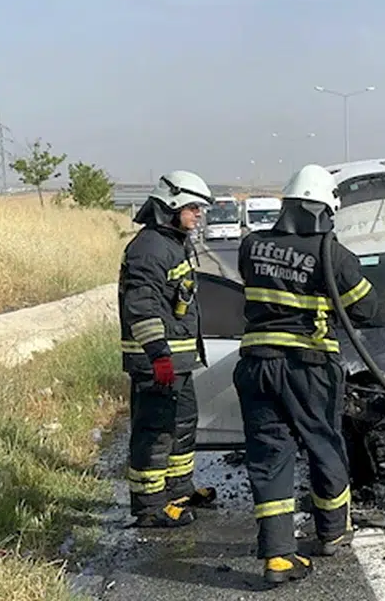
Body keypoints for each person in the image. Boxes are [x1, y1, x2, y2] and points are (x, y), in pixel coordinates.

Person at [234, 164, 379, 586]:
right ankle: (333, 532)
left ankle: (278, 556)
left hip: (256, 364)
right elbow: (366, 308)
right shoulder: (331, 253)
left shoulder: (251, 244)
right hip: (308, 366)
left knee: (269, 455)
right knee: (323, 444)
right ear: (326, 209)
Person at [118, 170, 219, 527]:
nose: (198, 215)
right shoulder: (149, 249)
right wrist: (158, 354)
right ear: (172, 205)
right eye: (193, 208)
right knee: (155, 430)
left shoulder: (173, 243)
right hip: (156, 363)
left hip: (177, 361)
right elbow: (141, 307)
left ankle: (178, 489)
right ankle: (149, 505)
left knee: (183, 422)